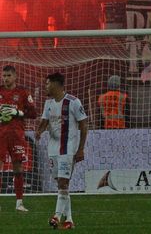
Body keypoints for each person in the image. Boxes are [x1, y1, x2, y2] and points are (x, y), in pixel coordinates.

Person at [35, 72, 88, 230]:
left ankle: (56, 216)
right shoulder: (48, 103)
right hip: (52, 149)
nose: (46, 86)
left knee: (64, 182)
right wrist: (39, 131)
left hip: (68, 149)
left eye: (47, 83)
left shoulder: (73, 102)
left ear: (56, 84)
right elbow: (45, 121)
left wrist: (80, 149)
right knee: (61, 184)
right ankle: (69, 220)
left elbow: (84, 125)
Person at [0, 64, 37, 212]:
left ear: (15, 76)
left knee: (18, 168)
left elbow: (33, 114)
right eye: (4, 75)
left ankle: (19, 203)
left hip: (17, 135)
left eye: (9, 75)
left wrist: (18, 112)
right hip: (1, 134)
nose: (6, 78)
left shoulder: (22, 92)